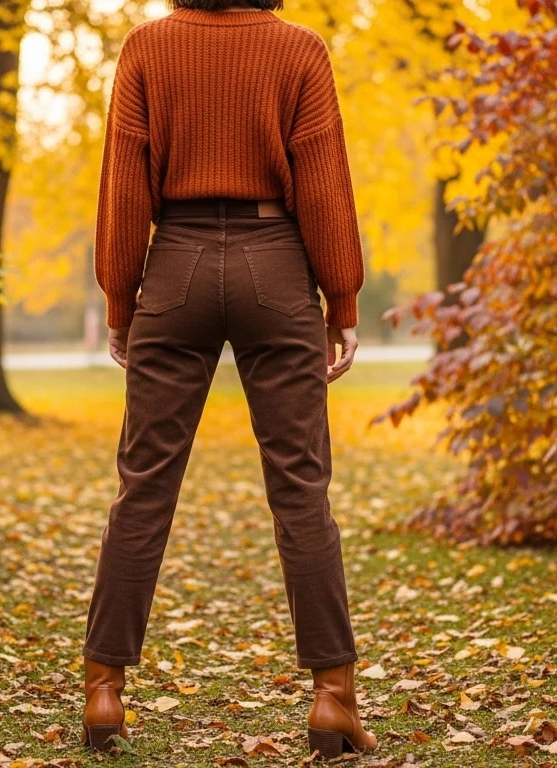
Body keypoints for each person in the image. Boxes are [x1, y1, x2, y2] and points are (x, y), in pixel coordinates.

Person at [80, 0, 374, 759]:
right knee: (302, 488)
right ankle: (333, 698)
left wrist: (122, 296)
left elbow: (124, 186)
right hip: (276, 265)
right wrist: (340, 296)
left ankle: (104, 689)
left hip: (174, 264)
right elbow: (324, 184)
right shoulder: (301, 50)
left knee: (142, 483)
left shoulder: (147, 48)